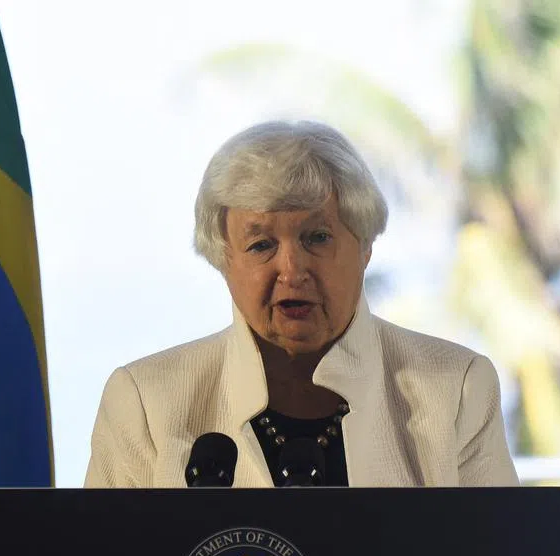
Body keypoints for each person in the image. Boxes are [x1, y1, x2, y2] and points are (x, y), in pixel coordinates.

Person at [84, 120, 518, 488]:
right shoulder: (146, 400)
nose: (292, 271)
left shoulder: (454, 388)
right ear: (223, 258)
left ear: (365, 246)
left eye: (317, 238)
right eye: (260, 245)